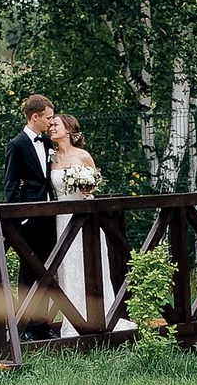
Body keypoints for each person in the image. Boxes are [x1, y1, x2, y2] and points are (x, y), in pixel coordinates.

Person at [46, 114, 133, 337]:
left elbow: (94, 185)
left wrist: (87, 190)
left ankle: (102, 316)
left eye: (55, 124)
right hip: (62, 219)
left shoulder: (83, 156)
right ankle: (73, 322)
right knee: (68, 268)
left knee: (92, 264)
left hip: (86, 219)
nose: (51, 128)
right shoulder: (51, 158)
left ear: (68, 128)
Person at [2, 95, 57, 340]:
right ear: (35, 117)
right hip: (28, 220)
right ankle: (28, 327)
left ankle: (43, 326)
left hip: (48, 218)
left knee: (46, 271)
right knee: (28, 273)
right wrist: (19, 219)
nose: (51, 121)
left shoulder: (47, 144)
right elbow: (11, 186)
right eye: (48, 117)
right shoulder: (16, 145)